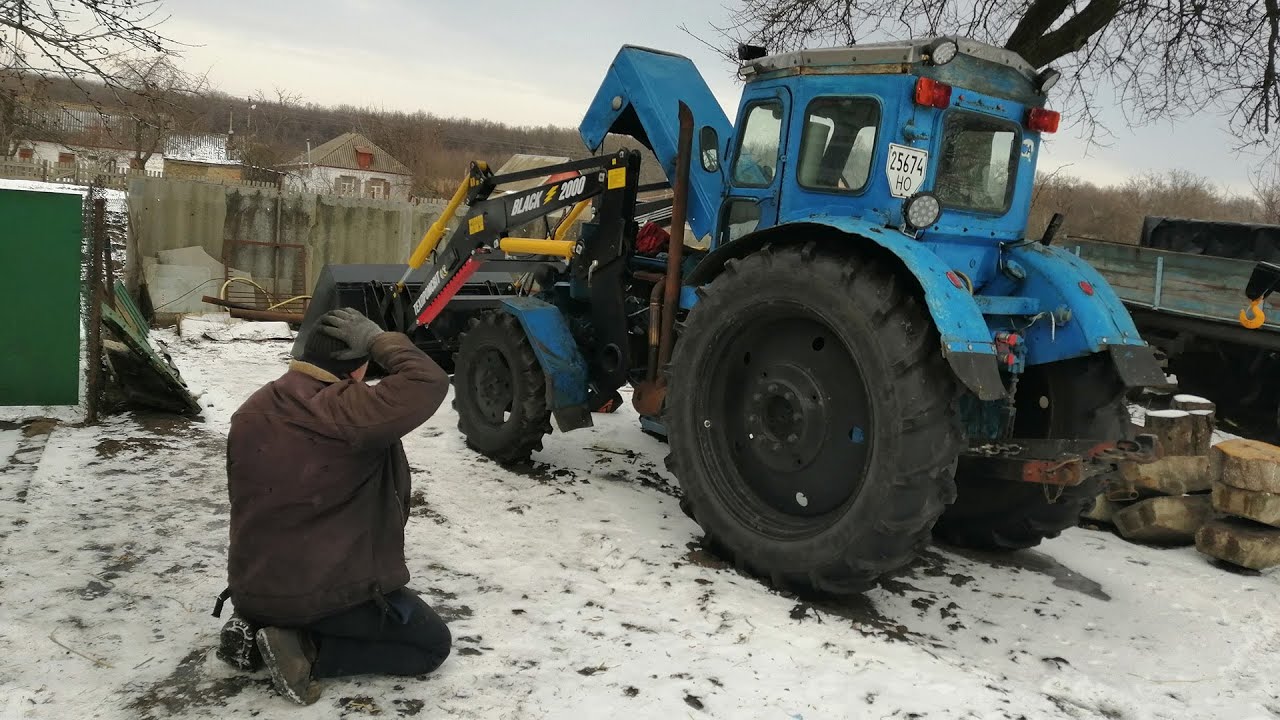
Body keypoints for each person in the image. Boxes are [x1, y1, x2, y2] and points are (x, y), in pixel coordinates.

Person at [213, 307, 452, 705]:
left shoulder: (252, 409)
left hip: (252, 585)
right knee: (430, 645)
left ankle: (258, 626)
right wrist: (379, 339)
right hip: (319, 594)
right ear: (356, 367)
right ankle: (303, 648)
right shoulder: (346, 411)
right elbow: (428, 381)